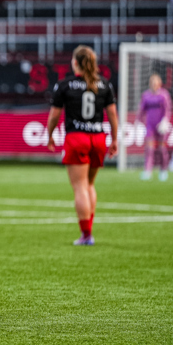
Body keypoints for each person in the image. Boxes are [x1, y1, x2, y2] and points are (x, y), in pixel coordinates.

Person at [46, 45, 118, 246]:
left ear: (75, 63)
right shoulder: (104, 84)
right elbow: (113, 114)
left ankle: (86, 235)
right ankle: (89, 231)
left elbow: (54, 115)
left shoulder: (65, 85)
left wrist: (50, 135)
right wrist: (114, 139)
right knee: (89, 185)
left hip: (77, 138)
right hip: (98, 138)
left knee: (79, 187)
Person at [137, 74, 172, 181]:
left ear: (159, 84)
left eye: (156, 83)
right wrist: (138, 121)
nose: (154, 85)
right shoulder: (146, 95)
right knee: (149, 149)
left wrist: (165, 121)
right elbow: (142, 109)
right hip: (150, 125)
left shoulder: (164, 95)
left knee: (162, 148)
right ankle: (148, 171)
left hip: (161, 126)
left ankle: (163, 170)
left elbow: (167, 109)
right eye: (152, 83)